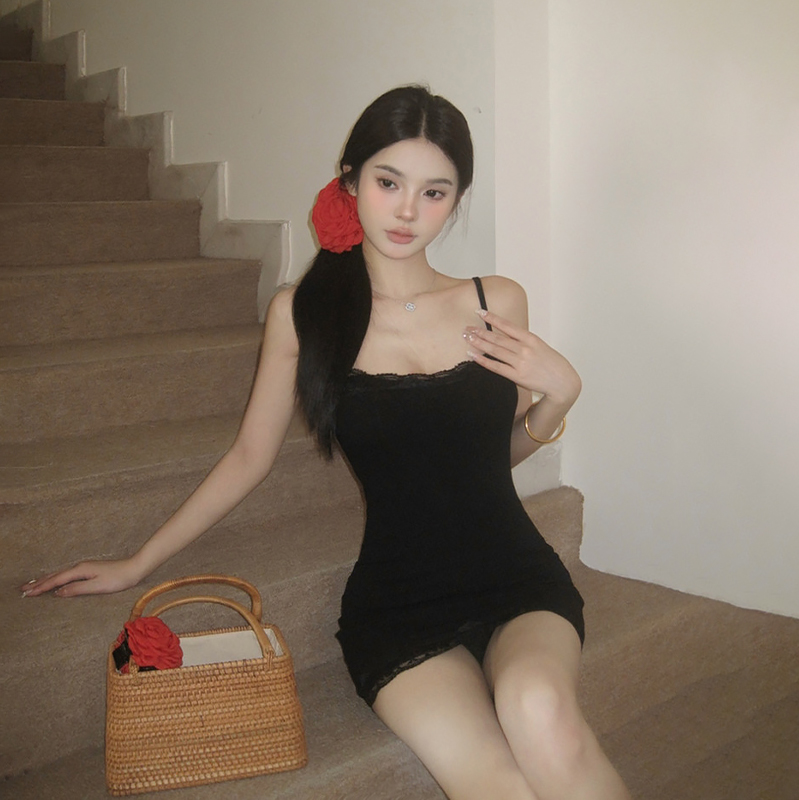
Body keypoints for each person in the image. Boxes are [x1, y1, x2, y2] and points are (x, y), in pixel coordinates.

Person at [22, 86, 631, 800]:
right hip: (398, 606)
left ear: (457, 200)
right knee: (496, 784)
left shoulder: (495, 300)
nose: (407, 210)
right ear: (349, 181)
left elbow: (487, 461)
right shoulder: (304, 315)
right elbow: (248, 458)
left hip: (515, 577)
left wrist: (560, 398)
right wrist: (136, 563)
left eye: (434, 192)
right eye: (388, 182)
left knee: (541, 712)